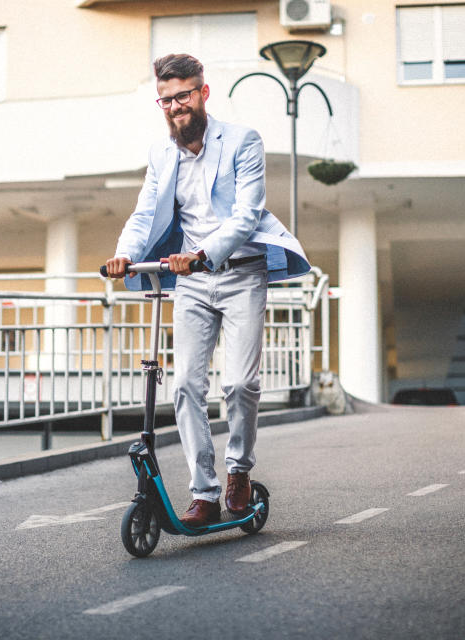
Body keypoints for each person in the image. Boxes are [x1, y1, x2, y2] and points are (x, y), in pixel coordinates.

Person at [105, 54, 310, 526]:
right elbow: (143, 214)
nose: (176, 106)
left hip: (241, 273)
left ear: (203, 93)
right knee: (184, 386)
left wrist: (202, 253)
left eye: (184, 95)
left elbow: (247, 214)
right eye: (166, 99)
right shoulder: (161, 153)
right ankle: (204, 492)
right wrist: (123, 254)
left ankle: (238, 470)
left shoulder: (242, 141)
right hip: (192, 284)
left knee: (239, 383)